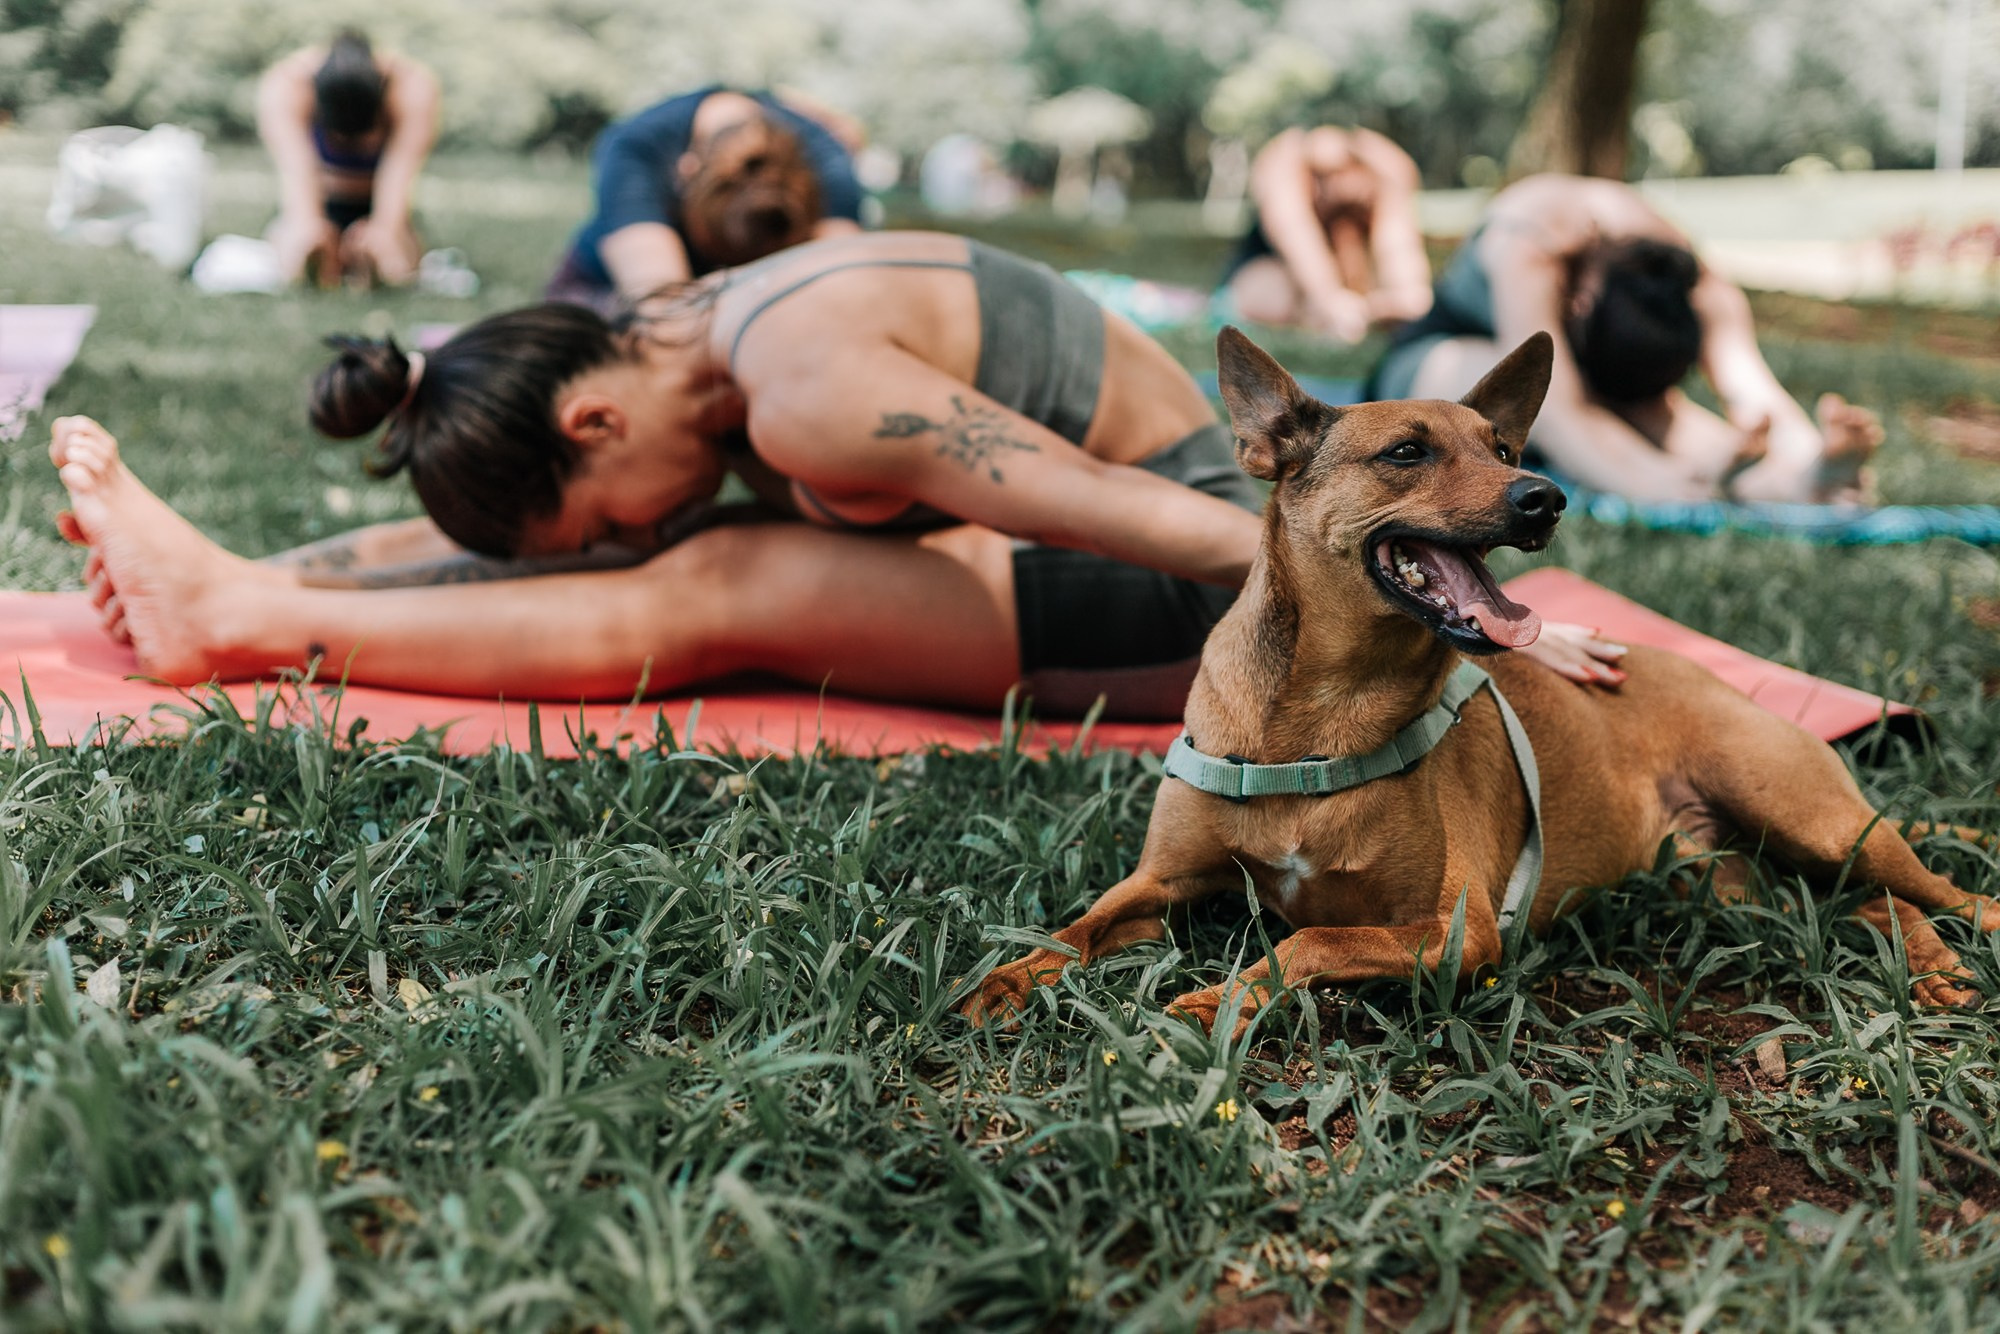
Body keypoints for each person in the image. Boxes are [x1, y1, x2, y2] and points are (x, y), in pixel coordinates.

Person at [48, 232, 1625, 719]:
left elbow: (1175, 524)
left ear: (591, 423)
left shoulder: (807, 392)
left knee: (726, 579)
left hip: (1205, 581)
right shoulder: (724, 326)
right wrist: (356, 550)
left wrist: (1467, 619)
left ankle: (238, 616)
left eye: (606, 515)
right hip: (1142, 555)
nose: (630, 529)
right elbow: (613, 509)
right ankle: (285, 578)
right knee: (703, 553)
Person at [1365, 174, 1881, 504]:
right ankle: (1686, 485)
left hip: (1591, 376)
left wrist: (1809, 449)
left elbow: (1750, 387)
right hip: (1438, 360)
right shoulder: (1529, 246)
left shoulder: (1691, 278)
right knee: (1509, 379)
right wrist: (1662, 487)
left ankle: (1801, 482)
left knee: (1668, 419)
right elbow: (1562, 413)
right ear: (1579, 302)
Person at [546, 87, 868, 317]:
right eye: (714, 249)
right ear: (683, 173)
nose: (724, 268)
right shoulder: (636, 149)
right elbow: (664, 314)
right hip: (604, 286)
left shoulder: (828, 162)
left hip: (750, 301)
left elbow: (840, 299)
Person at [256, 31, 440, 289]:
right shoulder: (287, 84)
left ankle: (375, 261)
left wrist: (383, 231)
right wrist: (311, 228)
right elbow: (297, 173)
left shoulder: (412, 87)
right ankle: (316, 254)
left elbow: (400, 174)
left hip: (375, 200)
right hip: (323, 197)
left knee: (395, 256)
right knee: (298, 238)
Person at [1220, 126, 1434, 344]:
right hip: (1276, 272)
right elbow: (1297, 238)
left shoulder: (1385, 173)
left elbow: (1401, 251)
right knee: (1276, 298)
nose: (1335, 187)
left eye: (1342, 174)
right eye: (1324, 178)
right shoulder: (1284, 171)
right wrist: (1330, 302)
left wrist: (1407, 296)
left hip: (1353, 284)